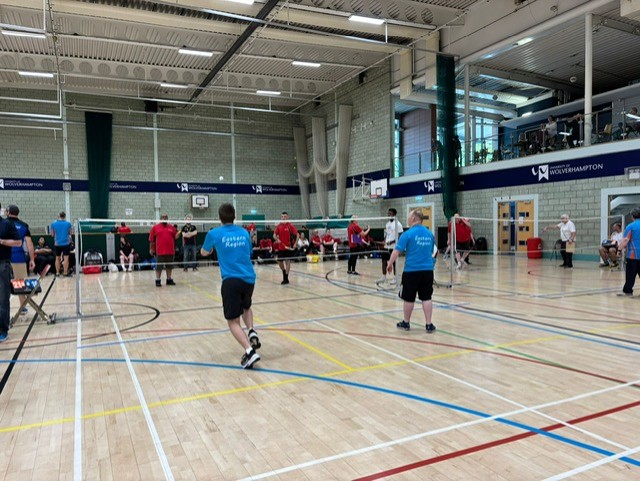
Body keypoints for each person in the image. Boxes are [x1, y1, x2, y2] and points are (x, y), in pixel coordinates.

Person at [201, 203, 261, 369]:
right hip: (249, 279)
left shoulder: (214, 234)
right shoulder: (244, 232)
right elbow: (249, 252)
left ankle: (250, 351)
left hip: (231, 281)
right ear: (234, 217)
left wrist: (213, 249)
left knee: (233, 321)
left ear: (219, 218)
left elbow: (204, 252)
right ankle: (251, 331)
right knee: (246, 307)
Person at [386, 209, 436, 333]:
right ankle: (429, 324)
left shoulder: (407, 234)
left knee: (408, 298)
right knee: (427, 297)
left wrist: (390, 263)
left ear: (413, 219)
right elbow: (432, 252)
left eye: (409, 217)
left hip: (411, 271)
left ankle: (406, 322)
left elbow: (396, 251)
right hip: (427, 271)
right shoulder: (430, 234)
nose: (408, 219)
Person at [6, 205, 35, 318]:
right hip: (18, 257)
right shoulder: (24, 225)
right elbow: (29, 244)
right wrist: (32, 259)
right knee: (20, 284)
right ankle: (22, 308)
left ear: (8, 212)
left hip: (4, 257)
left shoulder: (3, 223)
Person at [0, 203, 22, 342]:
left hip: (3, 264)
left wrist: (2, 241)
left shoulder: (7, 224)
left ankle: (3, 330)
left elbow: (18, 242)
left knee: (3, 299)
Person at [149, 213, 180, 287]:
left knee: (169, 266)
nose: (164, 218)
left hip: (170, 251)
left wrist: (178, 235)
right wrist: (151, 248)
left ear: (167, 218)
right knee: (159, 267)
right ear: (160, 218)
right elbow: (151, 239)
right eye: (163, 217)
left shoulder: (171, 227)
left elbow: (175, 237)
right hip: (160, 251)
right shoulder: (155, 227)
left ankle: (169, 279)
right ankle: (158, 280)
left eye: (166, 217)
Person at [617, 208, 640, 297]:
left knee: (630, 275)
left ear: (632, 216)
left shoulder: (631, 226)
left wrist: (619, 250)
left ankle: (628, 291)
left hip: (633, 255)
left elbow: (626, 239)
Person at [273, 212, 299, 285]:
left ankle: (286, 277)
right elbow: (274, 235)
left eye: (285, 216)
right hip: (281, 247)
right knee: (279, 262)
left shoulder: (290, 225)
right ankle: (284, 271)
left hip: (288, 247)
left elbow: (297, 234)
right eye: (282, 216)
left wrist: (295, 243)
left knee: (287, 261)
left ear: (287, 217)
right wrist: (276, 239)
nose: (283, 218)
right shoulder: (279, 226)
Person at [379, 208, 404, 283]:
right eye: (388, 213)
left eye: (390, 214)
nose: (388, 215)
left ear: (394, 214)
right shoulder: (387, 224)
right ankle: (384, 277)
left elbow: (401, 236)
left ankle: (396, 278)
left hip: (394, 247)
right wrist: (384, 241)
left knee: (394, 262)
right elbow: (386, 234)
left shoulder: (398, 224)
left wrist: (392, 242)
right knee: (384, 261)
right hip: (386, 246)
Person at [50, 211, 73, 277]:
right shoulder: (68, 224)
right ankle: (65, 272)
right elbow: (70, 233)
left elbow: (52, 235)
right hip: (66, 243)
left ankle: (57, 273)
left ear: (58, 216)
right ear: (64, 216)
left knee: (57, 258)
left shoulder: (53, 224)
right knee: (66, 259)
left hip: (57, 244)